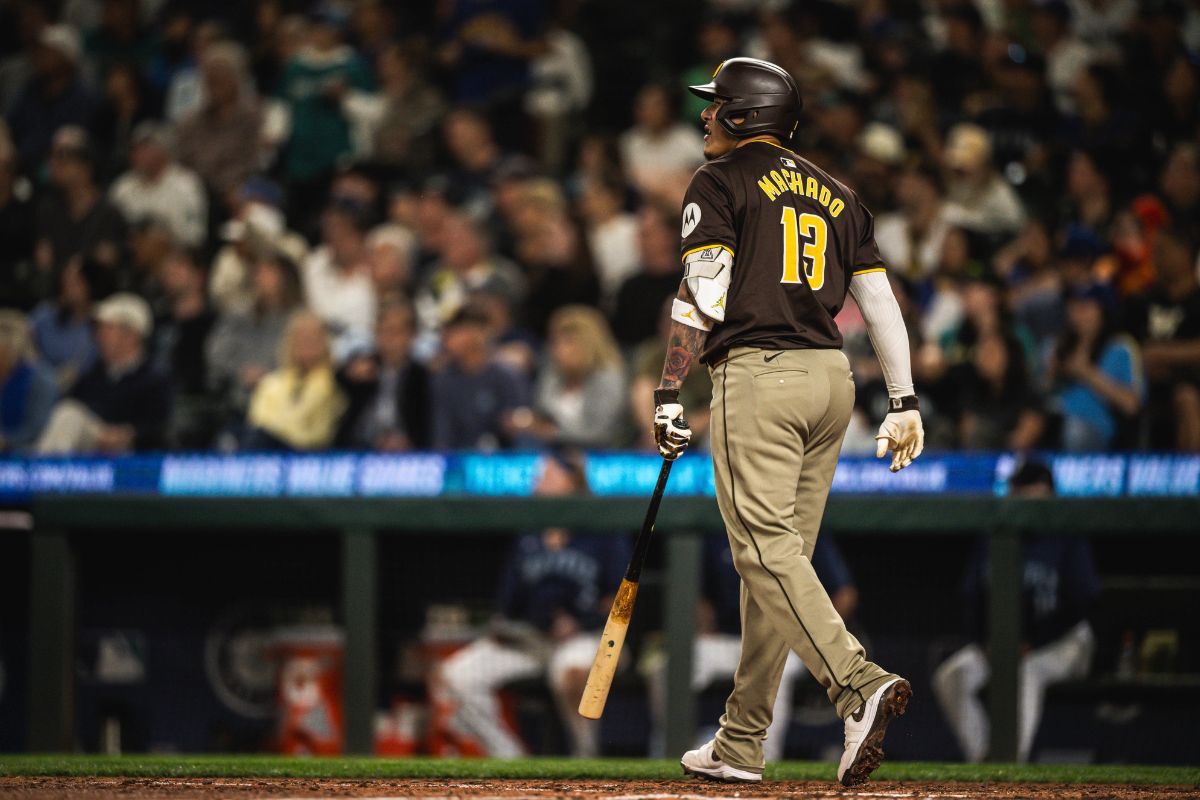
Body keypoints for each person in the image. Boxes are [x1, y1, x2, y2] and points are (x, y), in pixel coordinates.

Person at [653, 58, 923, 787]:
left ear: (743, 116)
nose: (704, 116)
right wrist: (902, 400)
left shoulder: (719, 181)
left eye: (715, 107)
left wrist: (670, 391)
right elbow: (881, 305)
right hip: (833, 383)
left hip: (760, 377)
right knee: (779, 566)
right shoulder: (840, 193)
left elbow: (704, 295)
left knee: (764, 554)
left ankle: (857, 684)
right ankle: (741, 742)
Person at [438, 451, 630, 757]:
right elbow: (508, 602)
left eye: (546, 476)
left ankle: (586, 758)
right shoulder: (528, 531)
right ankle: (509, 759)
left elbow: (621, 600)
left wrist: (581, 622)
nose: (536, 483)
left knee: (569, 671)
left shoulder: (602, 529)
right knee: (456, 674)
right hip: (532, 641)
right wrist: (505, 625)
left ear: (570, 482)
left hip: (588, 639)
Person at [932, 460, 1099, 763]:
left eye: (1032, 491)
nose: (1024, 497)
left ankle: (1011, 763)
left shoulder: (1066, 533)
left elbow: (1081, 602)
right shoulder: (994, 533)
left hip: (1063, 642)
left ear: (1048, 493)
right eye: (1019, 489)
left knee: (1027, 672)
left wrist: (1033, 642)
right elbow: (971, 597)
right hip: (1004, 643)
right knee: (952, 676)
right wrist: (985, 642)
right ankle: (985, 759)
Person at [646, 534, 859, 762]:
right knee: (670, 664)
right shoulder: (720, 533)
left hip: (782, 640)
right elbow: (699, 592)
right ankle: (674, 749)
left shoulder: (800, 529)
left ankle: (764, 756)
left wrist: (811, 636)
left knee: (778, 667)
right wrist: (704, 620)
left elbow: (844, 594)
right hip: (727, 638)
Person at [36, 293, 171, 454]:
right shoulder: (94, 374)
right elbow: (77, 405)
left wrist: (128, 434)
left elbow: (161, 424)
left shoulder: (155, 376)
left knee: (69, 416)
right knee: (68, 415)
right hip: (91, 444)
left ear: (130, 335)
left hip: (133, 452)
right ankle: (46, 470)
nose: (98, 335)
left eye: (106, 329)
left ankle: (44, 471)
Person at [206, 245, 304, 441]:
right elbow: (215, 353)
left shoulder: (300, 319)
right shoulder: (239, 315)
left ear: (286, 278)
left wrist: (270, 377)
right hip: (238, 401)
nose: (260, 278)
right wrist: (240, 371)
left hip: (286, 406)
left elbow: (306, 361)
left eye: (268, 272)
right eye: (258, 273)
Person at [514, 305, 627, 449]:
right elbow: (541, 413)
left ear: (589, 345)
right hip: (553, 451)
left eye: (569, 343)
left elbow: (601, 433)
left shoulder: (608, 379)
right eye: (555, 342)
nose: (559, 350)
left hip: (599, 454)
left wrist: (553, 433)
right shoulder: (552, 374)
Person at [1050, 283, 1142, 451]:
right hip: (1057, 418)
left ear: (1103, 311)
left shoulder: (1121, 347)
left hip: (1097, 427)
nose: (1077, 314)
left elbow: (1131, 405)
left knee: (1074, 431)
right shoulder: (1062, 345)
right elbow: (1046, 389)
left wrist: (1087, 373)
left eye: (1085, 307)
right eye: (1074, 307)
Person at [430, 306, 530, 451]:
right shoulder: (443, 380)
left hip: (503, 460)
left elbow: (522, 427)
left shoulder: (508, 376)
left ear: (478, 333)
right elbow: (442, 436)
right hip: (458, 460)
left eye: (456, 331)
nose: (447, 338)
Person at [337, 301, 432, 451]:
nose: (389, 339)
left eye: (396, 331)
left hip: (407, 453)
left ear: (412, 336)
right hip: (359, 450)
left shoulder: (421, 376)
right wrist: (349, 374)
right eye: (383, 331)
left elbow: (426, 425)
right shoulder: (363, 367)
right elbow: (339, 381)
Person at [244, 312, 346, 451]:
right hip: (268, 448)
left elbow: (321, 431)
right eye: (301, 338)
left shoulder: (336, 383)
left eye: (313, 338)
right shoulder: (272, 383)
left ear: (325, 342)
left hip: (310, 453)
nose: (307, 343)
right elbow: (258, 421)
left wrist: (280, 430)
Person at [108, 121, 209, 250]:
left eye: (144, 148)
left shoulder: (186, 185)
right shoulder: (123, 186)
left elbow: (194, 237)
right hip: (128, 256)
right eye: (134, 149)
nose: (136, 154)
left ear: (163, 150)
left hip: (174, 256)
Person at [0, 311, 58, 453]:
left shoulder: (40, 378)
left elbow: (38, 429)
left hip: (28, 455)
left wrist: (7, 441)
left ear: (11, 349)